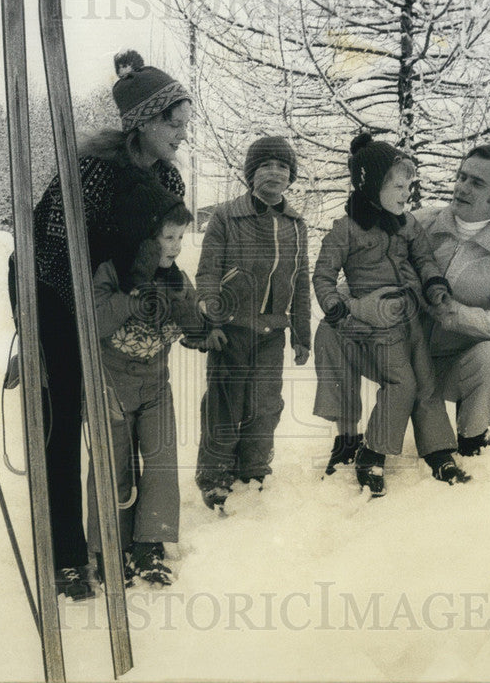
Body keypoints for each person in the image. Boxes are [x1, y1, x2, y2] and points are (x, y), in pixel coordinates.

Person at [27, 49, 192, 599]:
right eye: (174, 123)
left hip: (118, 305)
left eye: (185, 123)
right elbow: (48, 247)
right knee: (65, 415)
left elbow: (163, 250)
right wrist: (86, 321)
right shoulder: (90, 171)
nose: (182, 135)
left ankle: (133, 538)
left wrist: (161, 305)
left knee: (124, 419)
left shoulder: (168, 176)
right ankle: (69, 553)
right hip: (58, 294)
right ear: (142, 121)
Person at [311, 133, 461, 498]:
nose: (405, 194)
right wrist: (337, 309)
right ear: (372, 184)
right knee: (401, 383)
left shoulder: (407, 224)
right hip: (375, 322)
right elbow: (323, 275)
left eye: (408, 186)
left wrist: (434, 284)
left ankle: (438, 449)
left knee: (425, 382)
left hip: (410, 317)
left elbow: (424, 258)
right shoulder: (346, 229)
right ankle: (372, 453)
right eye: (397, 185)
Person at [86, 193, 215, 587]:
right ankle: (110, 545)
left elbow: (192, 319)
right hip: (112, 385)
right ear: (145, 238)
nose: (176, 247)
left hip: (156, 385)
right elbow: (96, 317)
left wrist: (203, 331)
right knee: (114, 464)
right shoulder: (112, 270)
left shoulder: (177, 279)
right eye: (168, 238)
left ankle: (150, 545)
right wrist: (132, 299)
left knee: (160, 460)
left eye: (181, 239)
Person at [194, 136, 311, 511]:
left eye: (282, 166)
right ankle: (214, 475)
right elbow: (208, 274)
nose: (274, 173)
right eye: (265, 165)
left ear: (290, 176)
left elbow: (301, 281)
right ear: (250, 174)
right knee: (226, 402)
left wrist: (302, 334)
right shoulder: (227, 217)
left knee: (265, 403)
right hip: (231, 328)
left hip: (272, 331)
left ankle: (254, 467)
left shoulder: (295, 225)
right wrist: (211, 321)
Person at [410, 144, 490, 460]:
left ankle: (472, 438)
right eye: (461, 177)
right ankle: (350, 438)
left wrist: (454, 313)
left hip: (452, 366)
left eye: (477, 183)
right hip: (400, 356)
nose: (461, 187)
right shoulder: (418, 223)